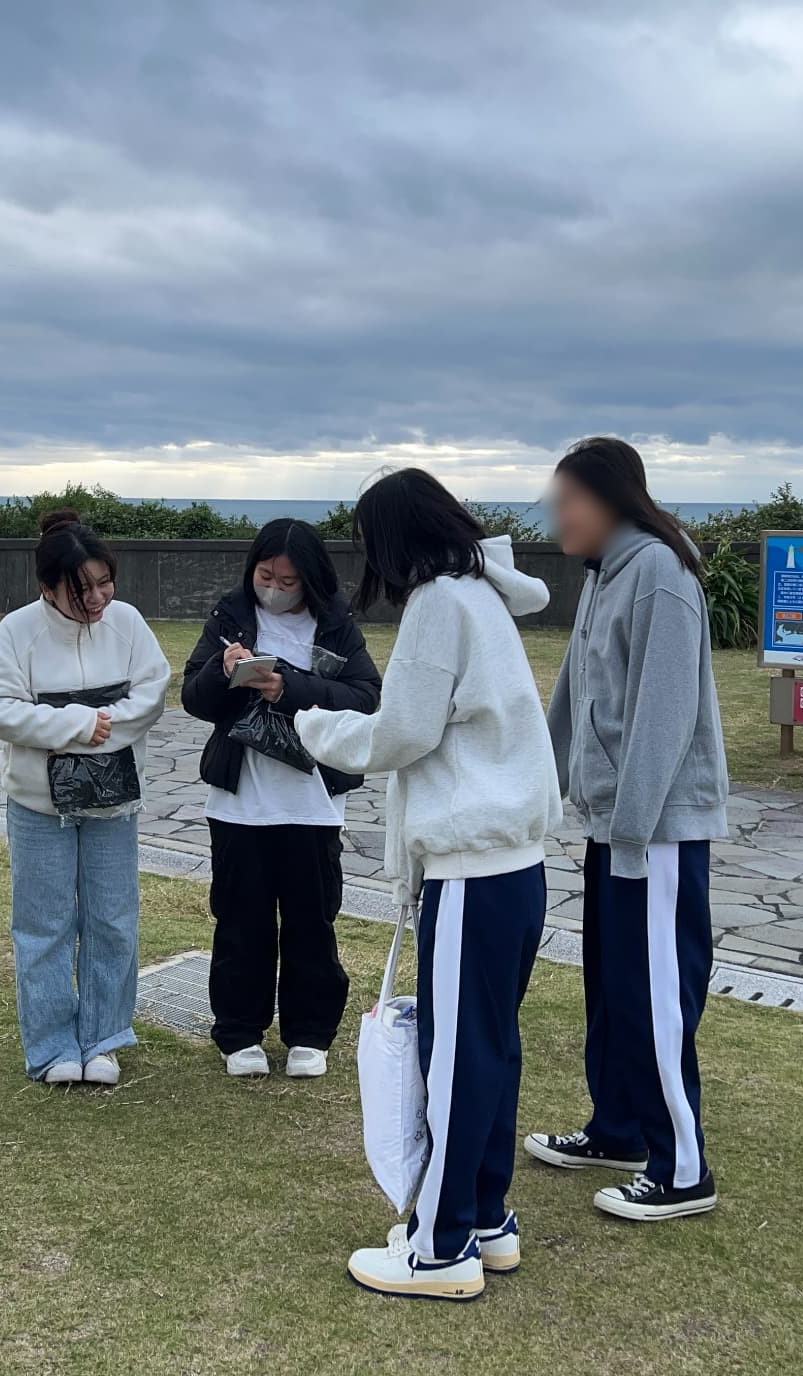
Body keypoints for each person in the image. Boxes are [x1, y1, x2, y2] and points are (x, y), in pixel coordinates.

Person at [295, 469, 561, 1301]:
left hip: (471, 867)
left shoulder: (438, 604)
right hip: (514, 865)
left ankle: (441, 1247)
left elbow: (402, 732)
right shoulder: (482, 595)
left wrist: (311, 722)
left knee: (457, 1058)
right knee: (490, 1048)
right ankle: (485, 1218)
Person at [524, 436, 730, 1223]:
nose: (556, 516)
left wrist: (635, 829)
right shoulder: (606, 575)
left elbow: (664, 717)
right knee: (612, 988)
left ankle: (683, 1168)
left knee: (659, 993)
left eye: (566, 500)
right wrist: (540, 792)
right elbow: (572, 701)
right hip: (613, 827)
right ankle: (617, 1131)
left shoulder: (659, 574)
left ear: (609, 497)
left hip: (658, 831)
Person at [182, 519, 382, 1079]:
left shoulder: (335, 622)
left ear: (311, 580)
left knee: (311, 920)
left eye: (288, 580)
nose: (273, 587)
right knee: (240, 919)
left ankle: (309, 1033)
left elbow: (366, 696)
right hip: (240, 799)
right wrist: (226, 673)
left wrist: (288, 685)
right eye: (265, 575)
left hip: (313, 800)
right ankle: (239, 1033)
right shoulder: (231, 613)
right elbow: (193, 697)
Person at [0, 510, 170, 1087]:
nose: (96, 598)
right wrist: (77, 725)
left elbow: (154, 689)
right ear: (46, 586)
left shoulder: (128, 622)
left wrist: (104, 724)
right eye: (79, 588)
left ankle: (103, 1038)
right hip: (38, 803)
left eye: (104, 583)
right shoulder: (18, 631)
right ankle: (52, 1046)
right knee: (44, 924)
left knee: (112, 918)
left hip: (113, 800)